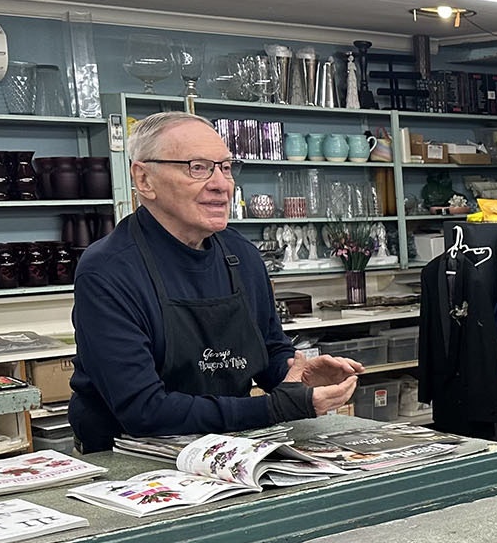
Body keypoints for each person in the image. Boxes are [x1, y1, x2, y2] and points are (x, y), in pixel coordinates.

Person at [69, 111, 362, 453]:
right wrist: (279, 407)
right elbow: (144, 411)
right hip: (130, 461)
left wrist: (297, 376)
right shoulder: (108, 270)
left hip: (228, 448)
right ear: (144, 180)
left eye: (225, 167)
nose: (221, 184)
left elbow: (268, 349)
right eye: (198, 167)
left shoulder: (241, 255)